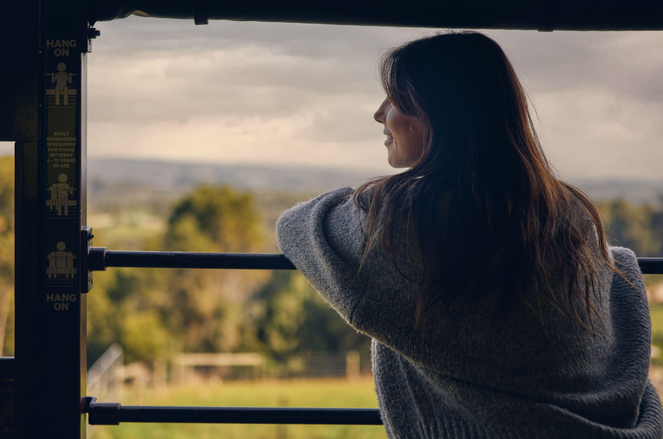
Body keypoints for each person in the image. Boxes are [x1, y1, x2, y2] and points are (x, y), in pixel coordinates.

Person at [276, 31, 663, 438]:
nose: (379, 113)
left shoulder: (402, 217)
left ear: (438, 114)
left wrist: (365, 199)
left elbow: (297, 226)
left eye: (394, 99)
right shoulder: (566, 213)